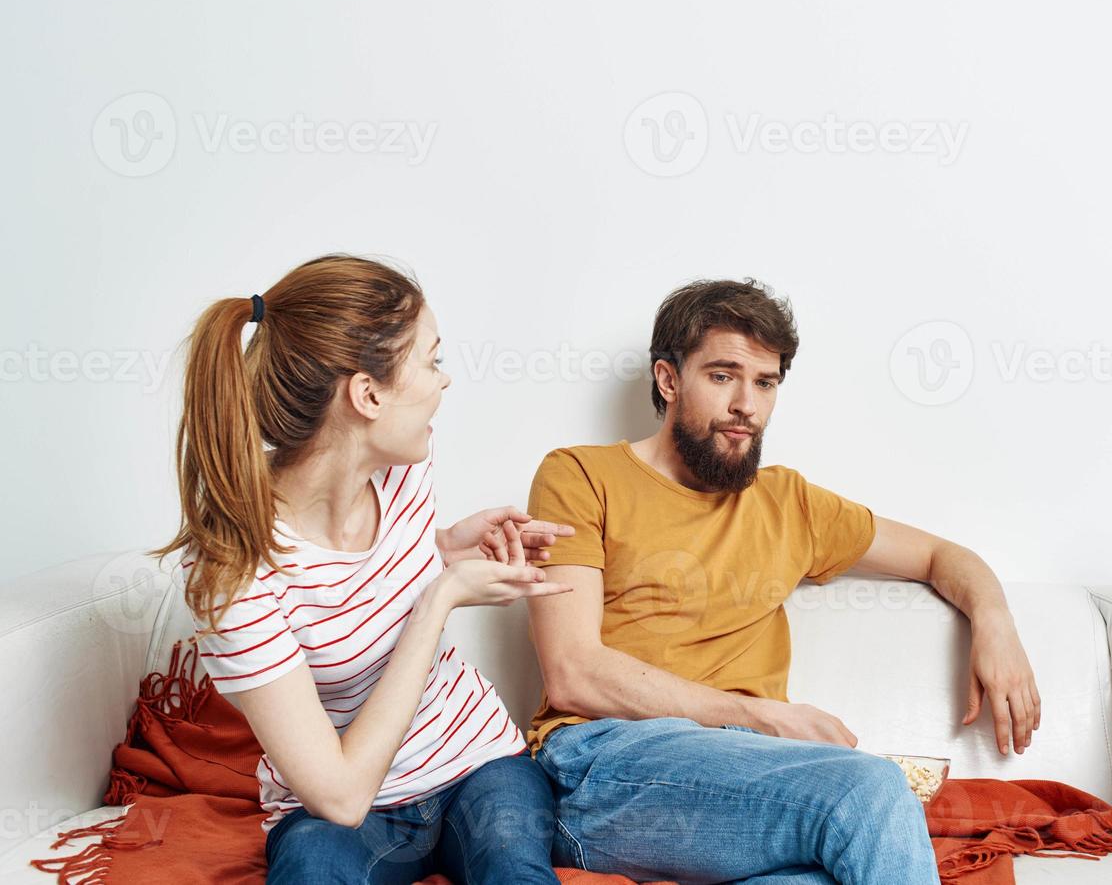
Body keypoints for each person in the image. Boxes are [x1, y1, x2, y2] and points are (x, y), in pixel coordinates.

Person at [523, 278, 1043, 884]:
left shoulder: (787, 502)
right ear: (669, 379)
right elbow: (573, 671)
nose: (748, 403)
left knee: (818, 878)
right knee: (867, 790)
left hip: (745, 775)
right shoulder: (581, 475)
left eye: (766, 383)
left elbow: (940, 556)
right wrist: (760, 717)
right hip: (603, 767)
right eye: (723, 376)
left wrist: (995, 622)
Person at [155, 254, 574, 884]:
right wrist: (440, 599)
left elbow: (362, 571)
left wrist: (450, 547)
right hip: (343, 809)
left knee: (515, 870)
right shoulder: (231, 571)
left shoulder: (404, 468)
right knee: (308, 871)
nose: (445, 381)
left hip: (476, 763)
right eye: (433, 360)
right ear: (368, 394)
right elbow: (342, 797)